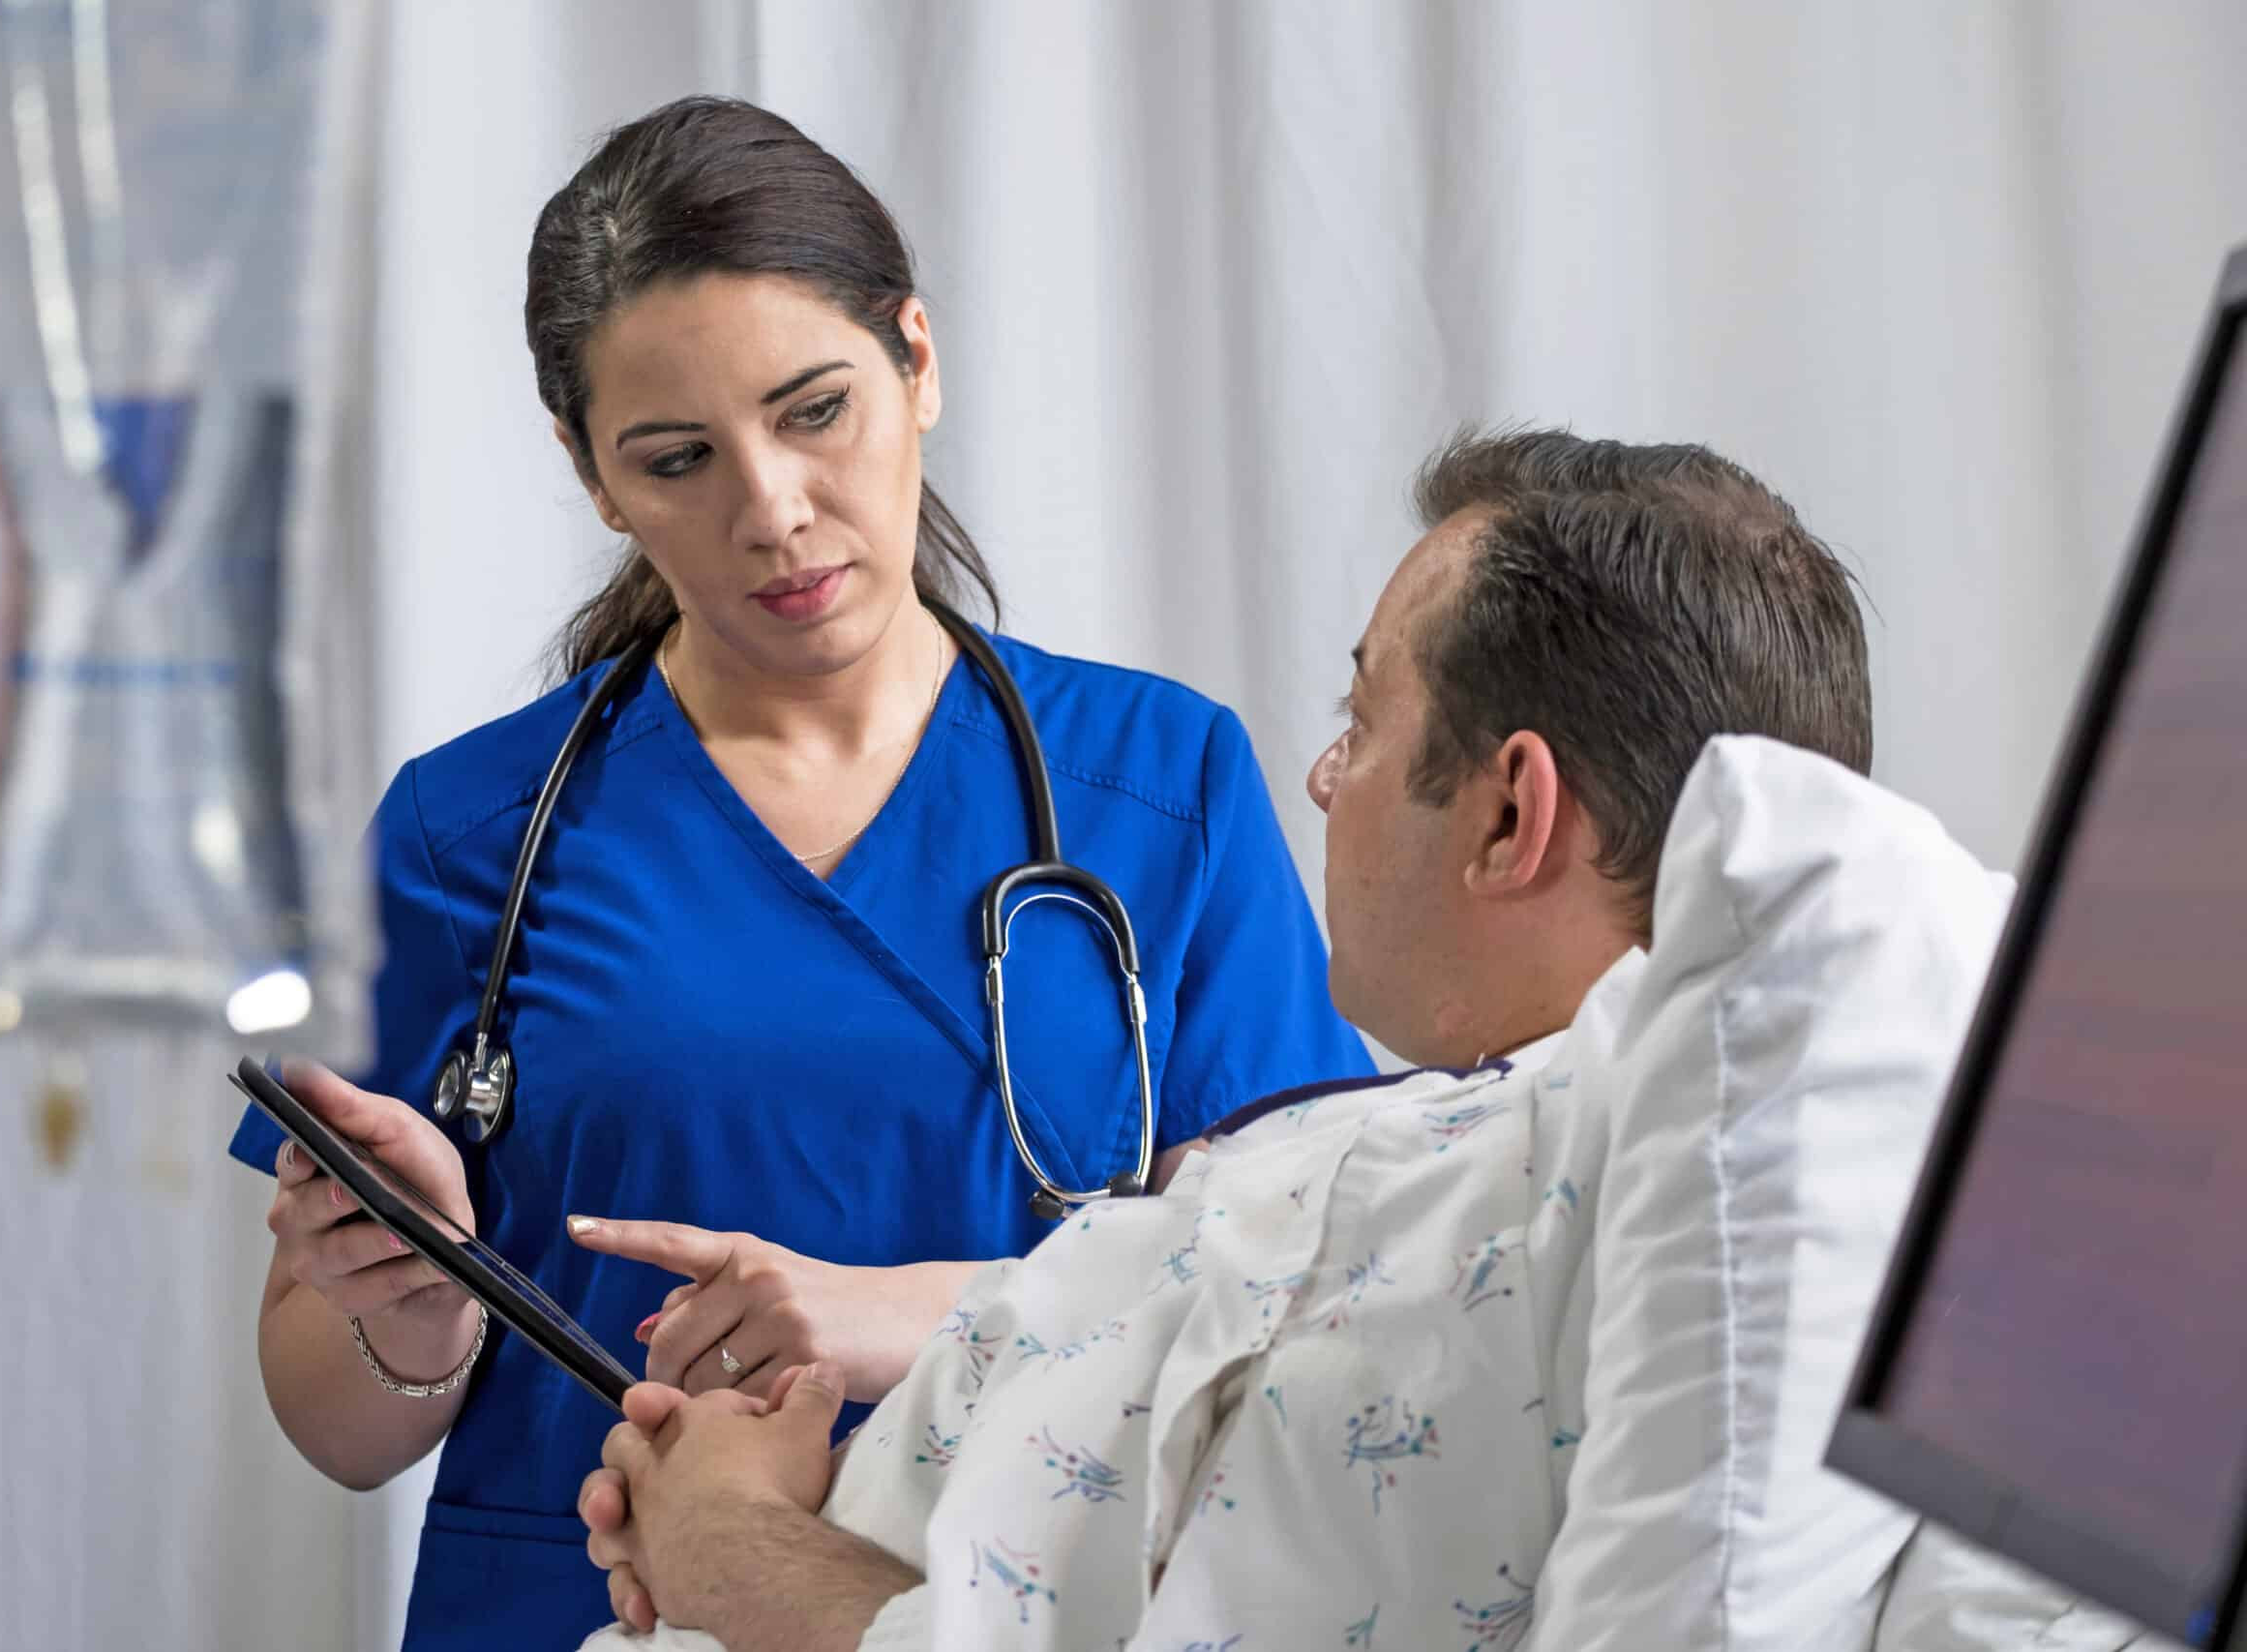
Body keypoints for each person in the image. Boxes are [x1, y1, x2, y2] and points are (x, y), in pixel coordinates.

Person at [227, 95, 1368, 1647]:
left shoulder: (1161, 787)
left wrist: (926, 1313)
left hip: (1017, 1611)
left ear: (917, 359)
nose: (769, 510)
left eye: (815, 409)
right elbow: (337, 1430)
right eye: (678, 457)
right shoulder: (464, 831)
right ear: (592, 476)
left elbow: (1306, 1311)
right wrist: (409, 1314)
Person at [568, 427, 1879, 1650]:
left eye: (1363, 722)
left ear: (1507, 819)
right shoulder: (1414, 1150)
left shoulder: (1520, 1245)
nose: (1323, 777)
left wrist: (729, 1541)